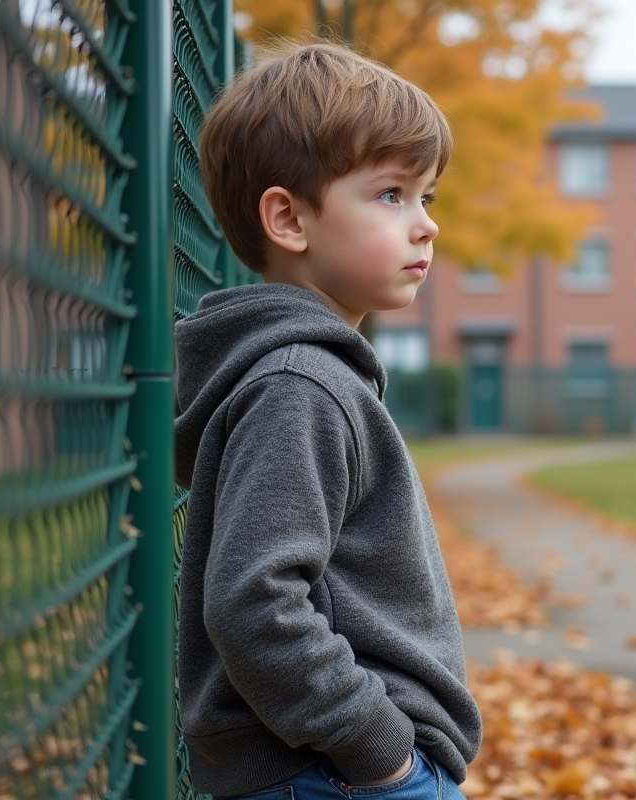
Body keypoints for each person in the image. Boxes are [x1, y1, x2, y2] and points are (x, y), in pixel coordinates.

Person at [173, 41, 481, 800]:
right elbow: (255, 601)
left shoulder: (309, 372)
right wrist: (382, 754)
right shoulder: (298, 384)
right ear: (288, 218)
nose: (425, 226)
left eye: (426, 198)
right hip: (335, 773)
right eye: (391, 195)